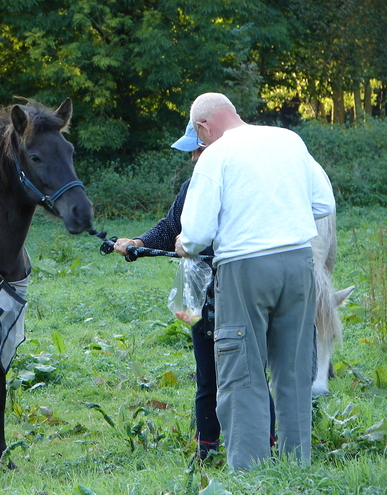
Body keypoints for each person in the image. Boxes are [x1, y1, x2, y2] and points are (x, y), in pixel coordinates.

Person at [175, 93, 335, 470]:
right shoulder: (288, 140)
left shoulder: (215, 155)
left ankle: (251, 474)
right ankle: (298, 465)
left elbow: (197, 233)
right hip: (298, 266)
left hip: (245, 271)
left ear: (202, 128)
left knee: (241, 371)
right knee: (294, 370)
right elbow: (323, 204)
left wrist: (185, 243)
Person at [113, 121, 275, 461]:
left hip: (241, 289)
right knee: (207, 377)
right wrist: (139, 243)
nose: (193, 158)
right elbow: (173, 226)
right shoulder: (191, 188)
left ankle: (267, 445)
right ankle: (207, 450)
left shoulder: (242, 183)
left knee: (249, 372)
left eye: (198, 150)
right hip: (203, 293)